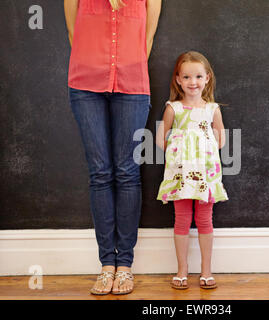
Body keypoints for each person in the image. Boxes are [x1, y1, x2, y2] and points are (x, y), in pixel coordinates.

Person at [64, 0, 162, 295]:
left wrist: (125, 67)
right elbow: (73, 32)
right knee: (100, 173)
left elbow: (148, 37)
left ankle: (126, 266)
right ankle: (107, 265)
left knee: (127, 173)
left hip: (132, 85)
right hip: (85, 84)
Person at [156, 51, 229, 289]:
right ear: (178, 80)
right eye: (186, 77)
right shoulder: (173, 109)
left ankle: (206, 270)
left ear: (207, 78)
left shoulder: (212, 109)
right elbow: (160, 139)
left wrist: (201, 148)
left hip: (206, 174)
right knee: (182, 220)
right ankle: (182, 270)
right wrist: (180, 148)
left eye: (198, 76)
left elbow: (220, 140)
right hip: (180, 174)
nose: (193, 82)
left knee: (205, 219)